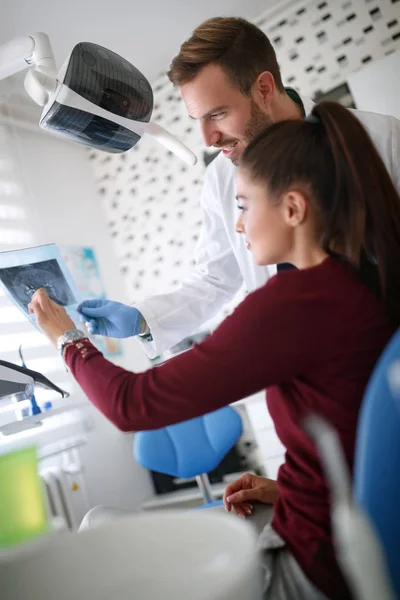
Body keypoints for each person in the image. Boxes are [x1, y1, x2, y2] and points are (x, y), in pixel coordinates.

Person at [29, 101, 400, 600]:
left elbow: (130, 404)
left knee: (97, 526)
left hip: (317, 565)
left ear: (292, 208)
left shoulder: (294, 304)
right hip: (333, 525)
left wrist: (65, 337)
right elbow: (358, 443)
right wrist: (287, 490)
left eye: (244, 205)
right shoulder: (361, 281)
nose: (239, 225)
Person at [76, 16, 400, 359]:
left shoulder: (380, 139)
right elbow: (215, 278)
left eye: (216, 114)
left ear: (263, 88)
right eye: (198, 120)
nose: (207, 139)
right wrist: (142, 319)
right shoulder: (221, 180)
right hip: (301, 370)